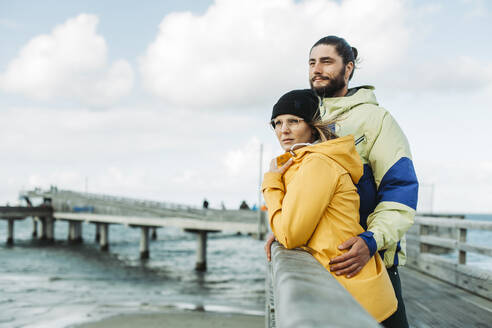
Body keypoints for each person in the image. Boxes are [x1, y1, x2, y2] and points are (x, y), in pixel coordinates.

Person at [265, 36, 418, 327]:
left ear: (348, 68)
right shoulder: (303, 115)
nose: (317, 69)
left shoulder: (376, 119)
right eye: (312, 62)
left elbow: (400, 189)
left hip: (369, 257)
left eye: (326, 61)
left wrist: (371, 240)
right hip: (323, 261)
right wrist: (282, 223)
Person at [262, 89, 397, 322]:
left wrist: (270, 184)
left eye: (293, 121)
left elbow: (290, 235)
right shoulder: (306, 162)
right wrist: (281, 226)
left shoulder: (317, 163)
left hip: (356, 296)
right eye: (277, 123)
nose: (283, 130)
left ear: (313, 126)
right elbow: (294, 226)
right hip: (348, 288)